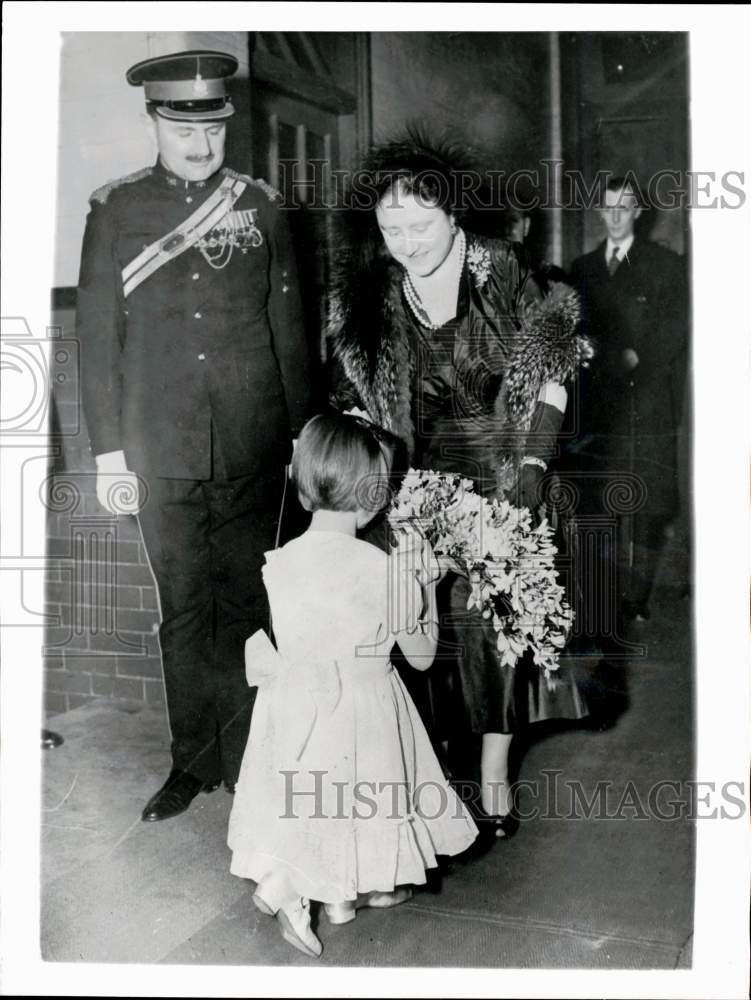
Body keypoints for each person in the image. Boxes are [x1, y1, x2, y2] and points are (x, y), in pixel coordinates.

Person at [327, 135, 591, 839]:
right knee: (417, 623)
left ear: (453, 216)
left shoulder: (504, 273)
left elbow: (555, 375)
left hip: (503, 472)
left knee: (490, 624)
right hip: (410, 478)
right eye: (391, 229)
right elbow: (355, 398)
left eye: (421, 225)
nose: (406, 243)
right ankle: (432, 767)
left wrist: (533, 465)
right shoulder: (374, 295)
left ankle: (494, 772)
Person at [76, 51, 312, 822]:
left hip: (252, 441)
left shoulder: (261, 207)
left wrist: (302, 438)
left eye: (213, 129)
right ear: (154, 121)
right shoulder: (116, 211)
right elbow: (98, 341)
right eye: (184, 129)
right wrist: (108, 454)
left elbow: (288, 329)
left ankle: (245, 759)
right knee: (182, 607)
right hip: (157, 448)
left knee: (245, 603)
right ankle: (192, 762)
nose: (201, 144)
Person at [227, 414, 478, 958]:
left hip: (295, 709)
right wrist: (427, 587)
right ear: (372, 492)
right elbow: (422, 656)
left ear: (304, 483)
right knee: (357, 804)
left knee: (315, 803)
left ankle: (322, 895)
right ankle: (289, 886)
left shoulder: (280, 562)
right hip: (362, 709)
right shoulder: (381, 568)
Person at [568, 176, 688, 624]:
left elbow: (674, 329)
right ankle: (601, 599)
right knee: (598, 503)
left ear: (638, 212)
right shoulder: (581, 269)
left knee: (645, 505)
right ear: (599, 211)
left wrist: (638, 357)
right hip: (598, 409)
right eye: (608, 206)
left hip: (646, 403)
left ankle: (635, 598)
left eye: (625, 206)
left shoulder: (664, 265)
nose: (615, 215)